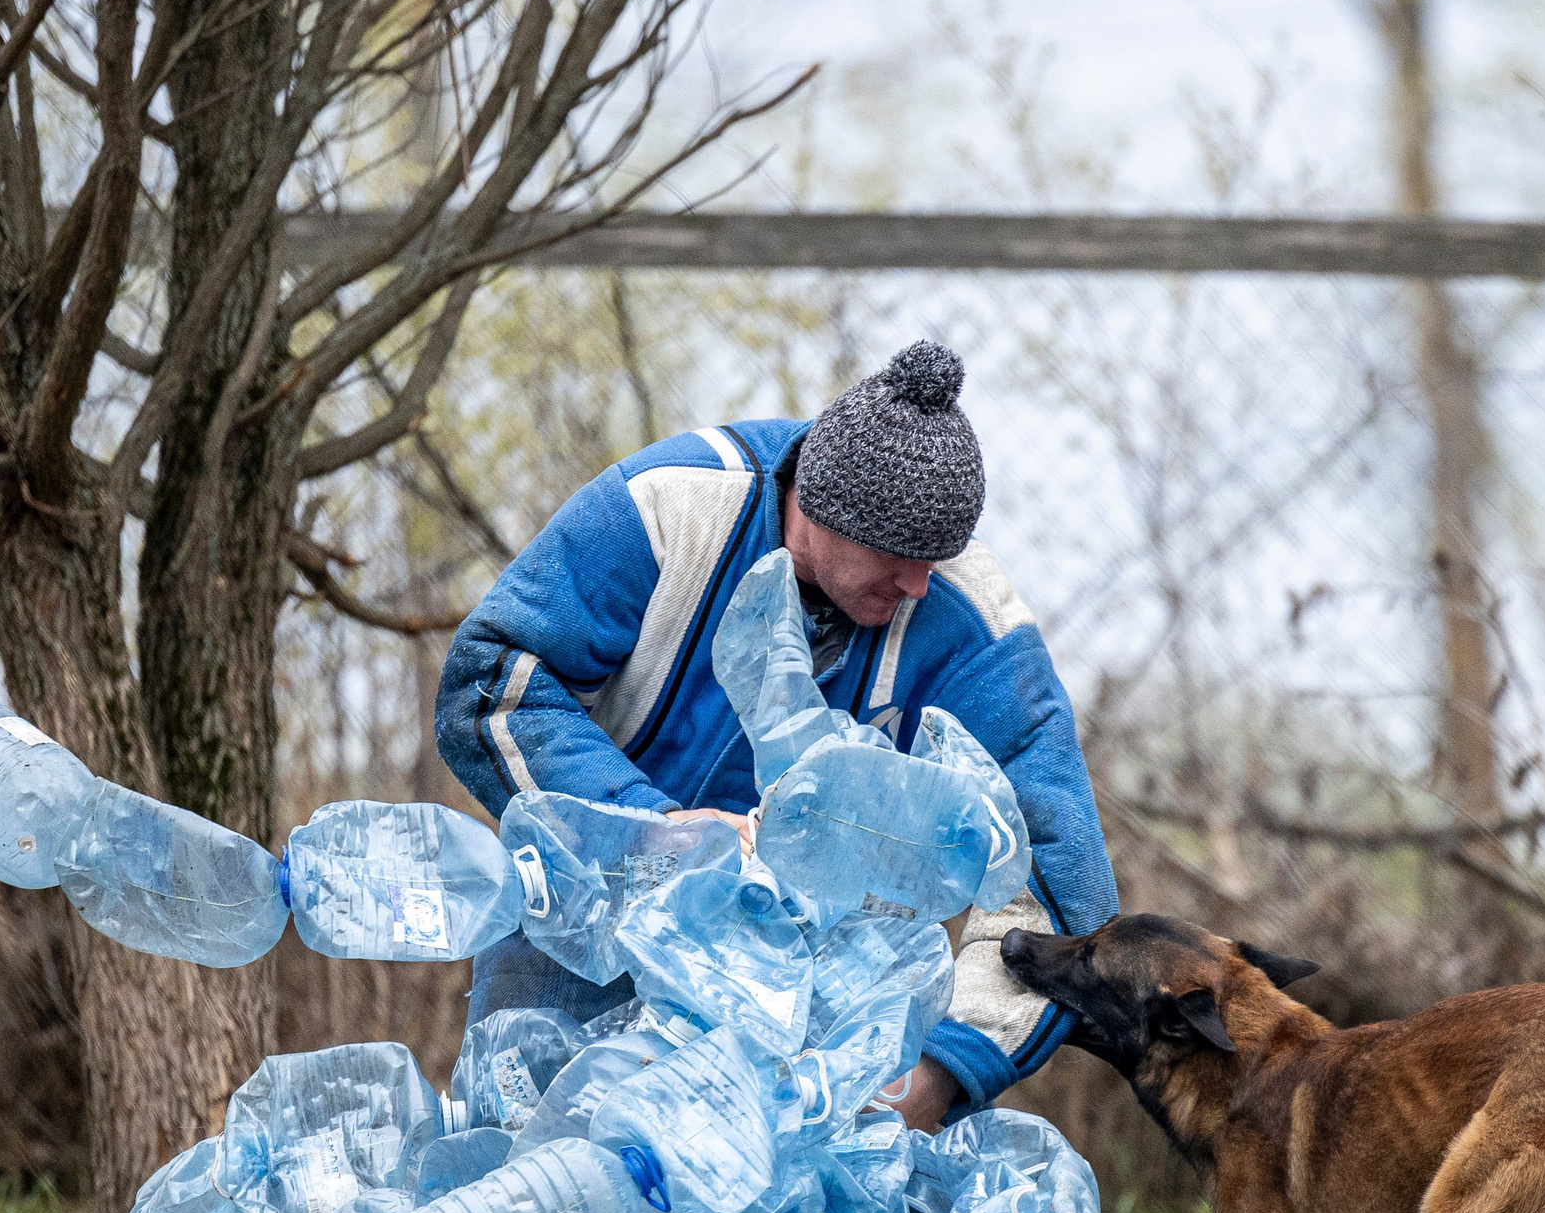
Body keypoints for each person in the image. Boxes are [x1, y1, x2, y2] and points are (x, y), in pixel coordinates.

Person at [436, 340, 1118, 1131]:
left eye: (938, 559)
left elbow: (1062, 877)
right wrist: (651, 829)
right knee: (531, 1194)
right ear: (819, 509)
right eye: (898, 558)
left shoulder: (970, 621)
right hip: (582, 929)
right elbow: (489, 681)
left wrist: (942, 1066)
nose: (919, 587)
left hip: (803, 1016)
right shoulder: (673, 505)